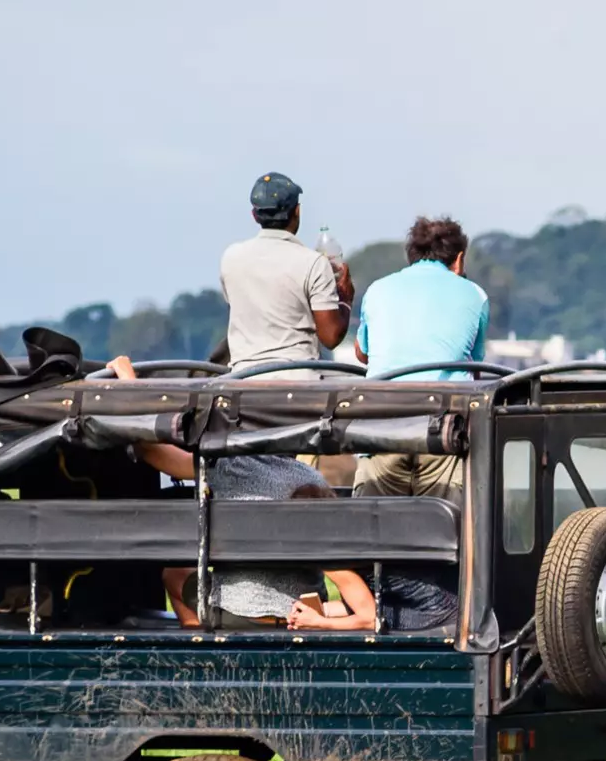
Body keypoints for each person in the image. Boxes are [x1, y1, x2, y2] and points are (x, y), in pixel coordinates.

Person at [106, 356, 375, 630]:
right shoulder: (311, 478)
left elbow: (153, 448)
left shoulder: (227, 466)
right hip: (301, 616)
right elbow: (363, 606)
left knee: (175, 575)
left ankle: (198, 636)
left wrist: (129, 382)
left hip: (235, 615)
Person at [351, 215, 490, 498]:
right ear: (459, 259)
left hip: (381, 426)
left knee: (372, 531)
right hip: (444, 431)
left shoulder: (377, 289)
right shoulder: (475, 294)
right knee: (451, 532)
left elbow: (362, 354)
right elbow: (473, 366)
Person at [219, 172, 355, 375]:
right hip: (298, 382)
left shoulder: (230, 257)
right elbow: (330, 337)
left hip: (243, 379)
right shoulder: (314, 263)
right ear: (297, 211)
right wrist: (344, 300)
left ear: (254, 215)